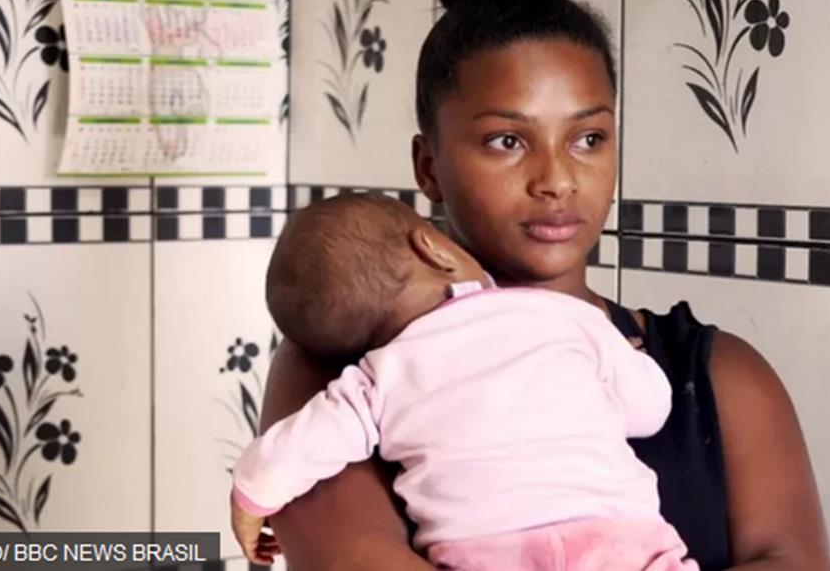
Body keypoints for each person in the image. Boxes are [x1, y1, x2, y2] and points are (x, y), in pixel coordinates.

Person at [255, 0, 830, 569]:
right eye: (507, 140)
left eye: (588, 138)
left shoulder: (720, 377)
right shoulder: (338, 371)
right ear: (428, 166)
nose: (557, 180)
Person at [230, 193, 696, 569]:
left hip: (488, 554)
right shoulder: (560, 314)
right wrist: (629, 361)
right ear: (433, 248)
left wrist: (250, 503)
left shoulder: (378, 377)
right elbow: (651, 408)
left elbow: (295, 449)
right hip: (618, 538)